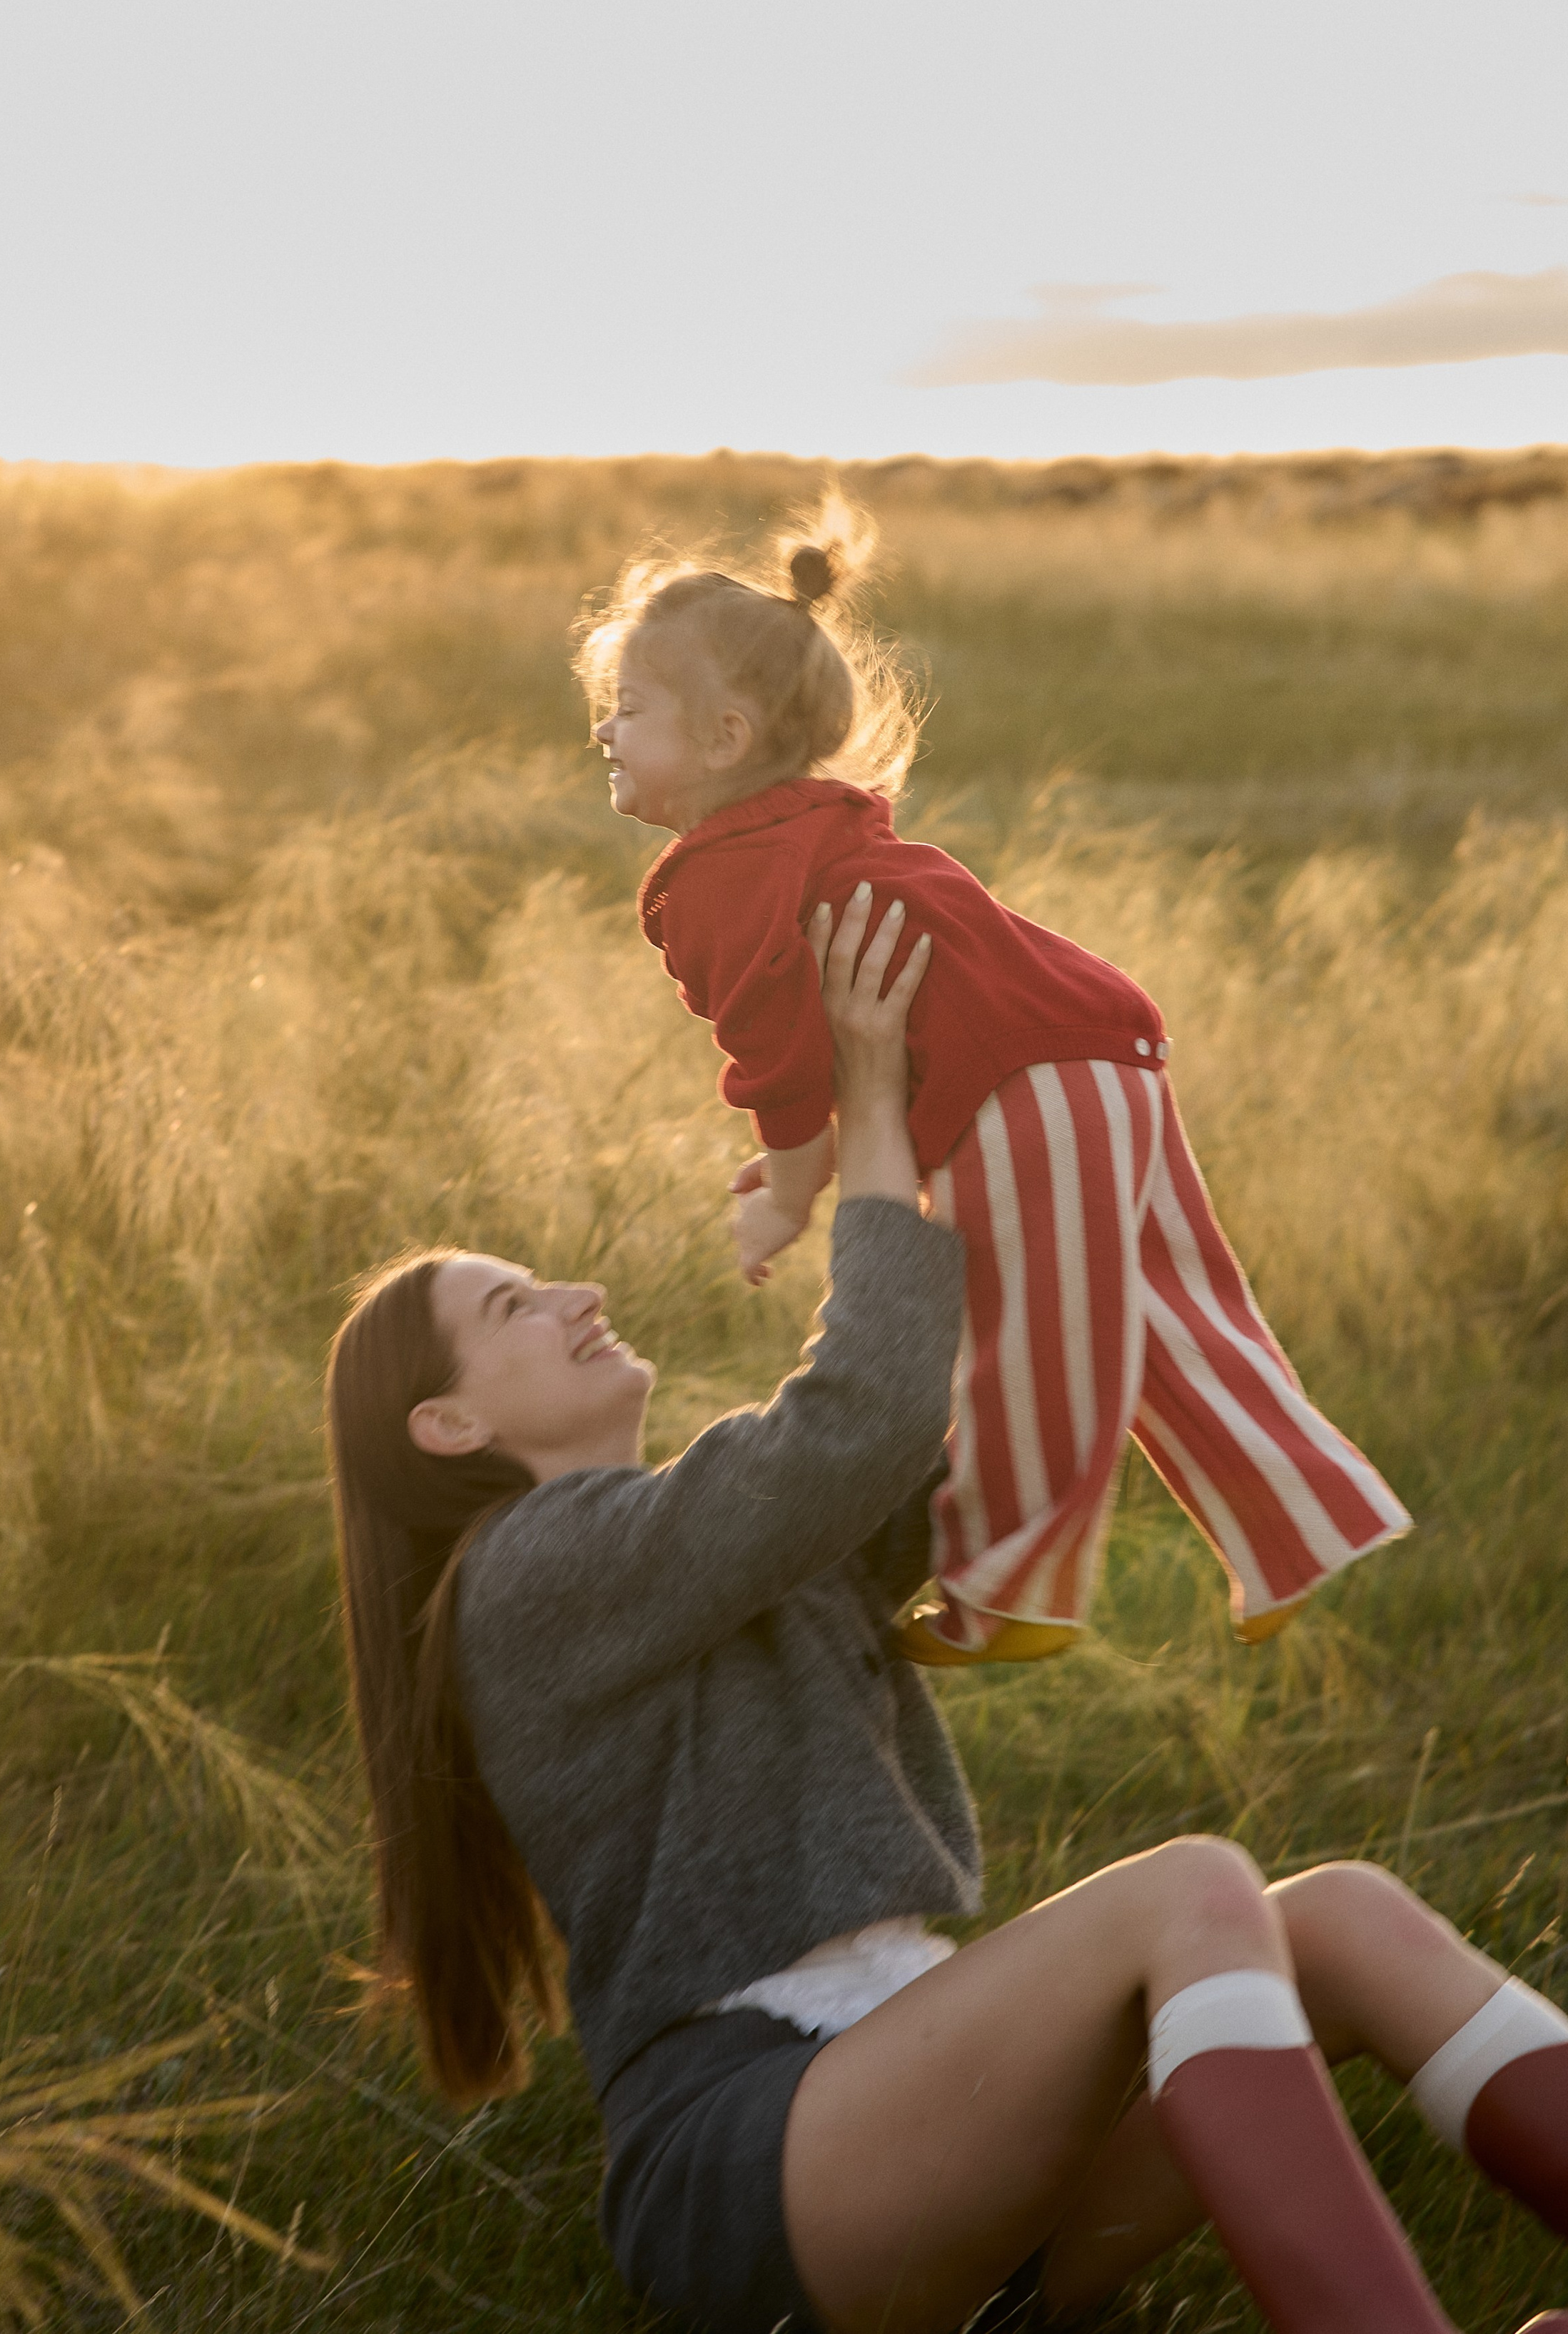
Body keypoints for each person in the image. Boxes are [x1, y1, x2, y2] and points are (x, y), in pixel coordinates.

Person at [328, 890, 1568, 2334]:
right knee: (1188, 1890)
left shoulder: (693, 1545)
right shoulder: (523, 1573)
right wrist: (858, 1101)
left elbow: (973, 1433)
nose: (575, 1292)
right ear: (446, 1425)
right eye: (513, 1308)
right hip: (750, 2157)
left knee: (1343, 1919)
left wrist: (1000, 1125)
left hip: (918, 2124)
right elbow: (857, 1421)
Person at [574, 497, 1411, 1667]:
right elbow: (846, 1038)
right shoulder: (815, 825)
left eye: (627, 707)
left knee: (1025, 1333)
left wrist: (789, 1192)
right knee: (1165, 1309)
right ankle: (1303, 1525)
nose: (603, 728)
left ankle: (1012, 1589)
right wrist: (814, 1147)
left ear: (723, 738)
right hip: (1098, 1052)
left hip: (1018, 1092)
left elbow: (780, 1054)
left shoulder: (714, 875)